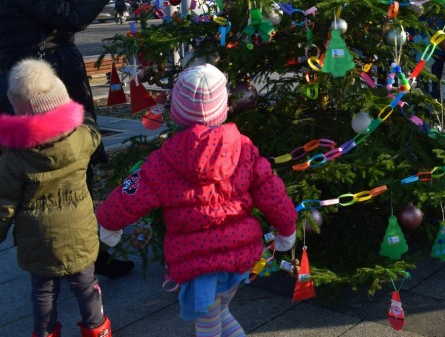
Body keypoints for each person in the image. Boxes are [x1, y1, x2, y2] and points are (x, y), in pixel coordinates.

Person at [96, 63, 298, 337]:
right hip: (240, 254)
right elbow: (271, 191)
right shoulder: (244, 148)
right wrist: (287, 228)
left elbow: (130, 195)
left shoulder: (163, 161)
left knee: (208, 326)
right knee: (222, 312)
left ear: (177, 112)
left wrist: (108, 222)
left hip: (197, 264)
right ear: (223, 108)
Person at [0, 0, 134, 279]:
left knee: (44, 172)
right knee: (70, 165)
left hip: (29, 83)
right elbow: (69, 17)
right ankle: (79, 258)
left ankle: (70, 255)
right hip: (46, 87)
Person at [0, 59, 111, 337]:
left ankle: (45, 332)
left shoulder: (14, 157)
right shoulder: (81, 138)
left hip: (38, 240)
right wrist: (82, 115)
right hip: (80, 232)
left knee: (43, 291)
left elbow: (5, 202)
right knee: (86, 285)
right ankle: (97, 329)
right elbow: (92, 131)